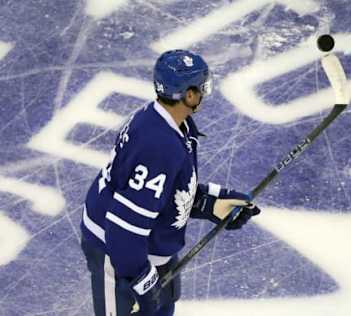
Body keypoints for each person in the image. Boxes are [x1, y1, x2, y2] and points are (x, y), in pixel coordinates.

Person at [80, 49, 261, 316]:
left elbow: (166, 191)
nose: (204, 93)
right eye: (201, 88)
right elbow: (124, 226)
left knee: (163, 308)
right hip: (118, 252)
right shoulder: (159, 146)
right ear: (189, 94)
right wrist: (139, 278)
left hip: (147, 248)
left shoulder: (174, 126)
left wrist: (211, 203)